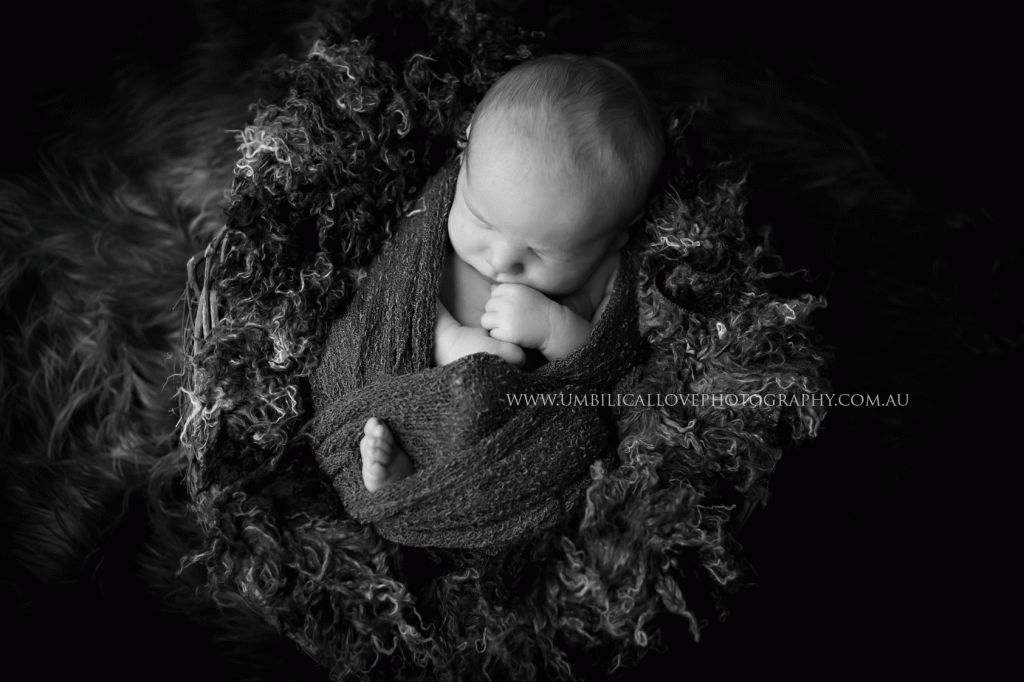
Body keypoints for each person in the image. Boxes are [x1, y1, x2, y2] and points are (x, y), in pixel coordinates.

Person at [359, 54, 664, 491]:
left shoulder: (606, 275)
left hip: (515, 433)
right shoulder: (444, 214)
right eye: (482, 220)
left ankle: (427, 487)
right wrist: (446, 338)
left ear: (614, 237)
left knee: (577, 440)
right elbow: (394, 291)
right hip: (414, 386)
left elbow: (612, 367)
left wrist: (553, 329)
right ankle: (409, 476)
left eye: (540, 251)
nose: (500, 260)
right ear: (463, 164)